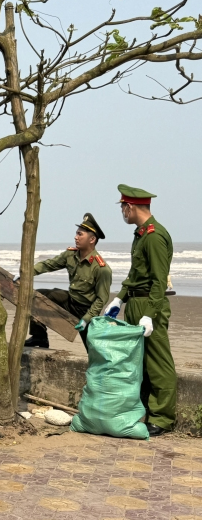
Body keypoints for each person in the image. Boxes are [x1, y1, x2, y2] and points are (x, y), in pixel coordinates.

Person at [103, 185, 175, 436]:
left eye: (123, 207)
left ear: (130, 207)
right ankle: (144, 411)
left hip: (148, 304)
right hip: (135, 302)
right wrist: (119, 299)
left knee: (157, 363)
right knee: (138, 363)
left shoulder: (154, 236)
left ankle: (163, 418)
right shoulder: (141, 234)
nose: (122, 212)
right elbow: (136, 274)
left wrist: (150, 313)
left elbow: (159, 279)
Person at [25, 213, 112, 350]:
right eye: (76, 233)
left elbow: (101, 299)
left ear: (92, 239)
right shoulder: (70, 255)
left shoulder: (101, 268)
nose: (75, 237)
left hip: (86, 309)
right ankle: (39, 336)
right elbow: (49, 264)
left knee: (94, 350)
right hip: (70, 300)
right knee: (36, 296)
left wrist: (87, 318)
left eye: (80, 234)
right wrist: (26, 273)